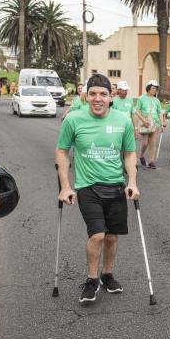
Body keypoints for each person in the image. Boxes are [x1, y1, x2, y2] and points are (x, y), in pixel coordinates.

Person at [55, 73, 139, 303]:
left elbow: (130, 153)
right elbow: (61, 151)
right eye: (92, 94)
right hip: (87, 187)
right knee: (98, 235)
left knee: (112, 237)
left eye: (103, 94)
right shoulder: (73, 120)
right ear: (85, 96)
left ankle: (107, 274)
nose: (97, 98)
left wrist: (132, 181)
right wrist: (65, 186)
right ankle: (92, 279)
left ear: (111, 97)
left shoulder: (123, 121)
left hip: (116, 186)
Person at [134, 80, 163, 169]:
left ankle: (151, 161)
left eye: (156, 89)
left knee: (153, 143)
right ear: (148, 88)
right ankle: (142, 155)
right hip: (145, 123)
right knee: (145, 143)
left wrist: (161, 124)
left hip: (155, 124)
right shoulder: (141, 98)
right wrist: (143, 121)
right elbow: (137, 111)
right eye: (153, 88)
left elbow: (160, 112)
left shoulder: (157, 100)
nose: (154, 90)